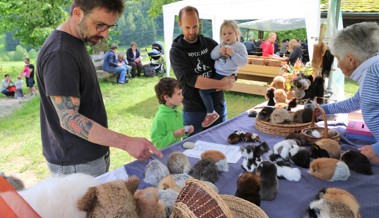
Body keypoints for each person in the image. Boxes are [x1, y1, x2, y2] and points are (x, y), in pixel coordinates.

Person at [36, 0, 162, 177]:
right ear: (77, 13)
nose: (105, 35)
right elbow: (68, 118)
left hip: (88, 156)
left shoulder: (76, 41)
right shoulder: (60, 53)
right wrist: (126, 143)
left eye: (109, 27)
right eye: (100, 25)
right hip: (76, 164)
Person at [169, 6, 235, 135]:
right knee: (196, 149)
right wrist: (222, 84)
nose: (192, 31)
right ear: (180, 24)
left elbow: (227, 65)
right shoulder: (176, 51)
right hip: (194, 111)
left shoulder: (210, 44)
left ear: (199, 22)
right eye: (187, 28)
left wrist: (232, 78)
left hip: (218, 106)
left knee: (222, 146)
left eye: (195, 26)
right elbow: (192, 80)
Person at [320, 22, 379, 164]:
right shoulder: (371, 71)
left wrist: (377, 149)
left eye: (338, 58)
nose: (338, 65)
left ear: (350, 59)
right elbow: (357, 101)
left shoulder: (375, 71)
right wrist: (324, 109)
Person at [199, 20, 248, 128]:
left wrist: (233, 54)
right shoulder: (221, 45)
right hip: (217, 75)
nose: (227, 36)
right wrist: (219, 52)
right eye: (224, 34)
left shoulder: (240, 46)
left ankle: (211, 113)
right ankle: (212, 112)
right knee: (204, 90)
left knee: (203, 91)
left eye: (230, 33)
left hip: (227, 76)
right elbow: (212, 56)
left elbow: (243, 62)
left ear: (237, 34)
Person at [150, 77, 194, 149]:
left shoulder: (177, 113)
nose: (182, 97)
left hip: (175, 151)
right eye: (179, 94)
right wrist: (173, 135)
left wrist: (186, 131)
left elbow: (178, 132)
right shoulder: (160, 118)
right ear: (166, 97)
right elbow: (157, 144)